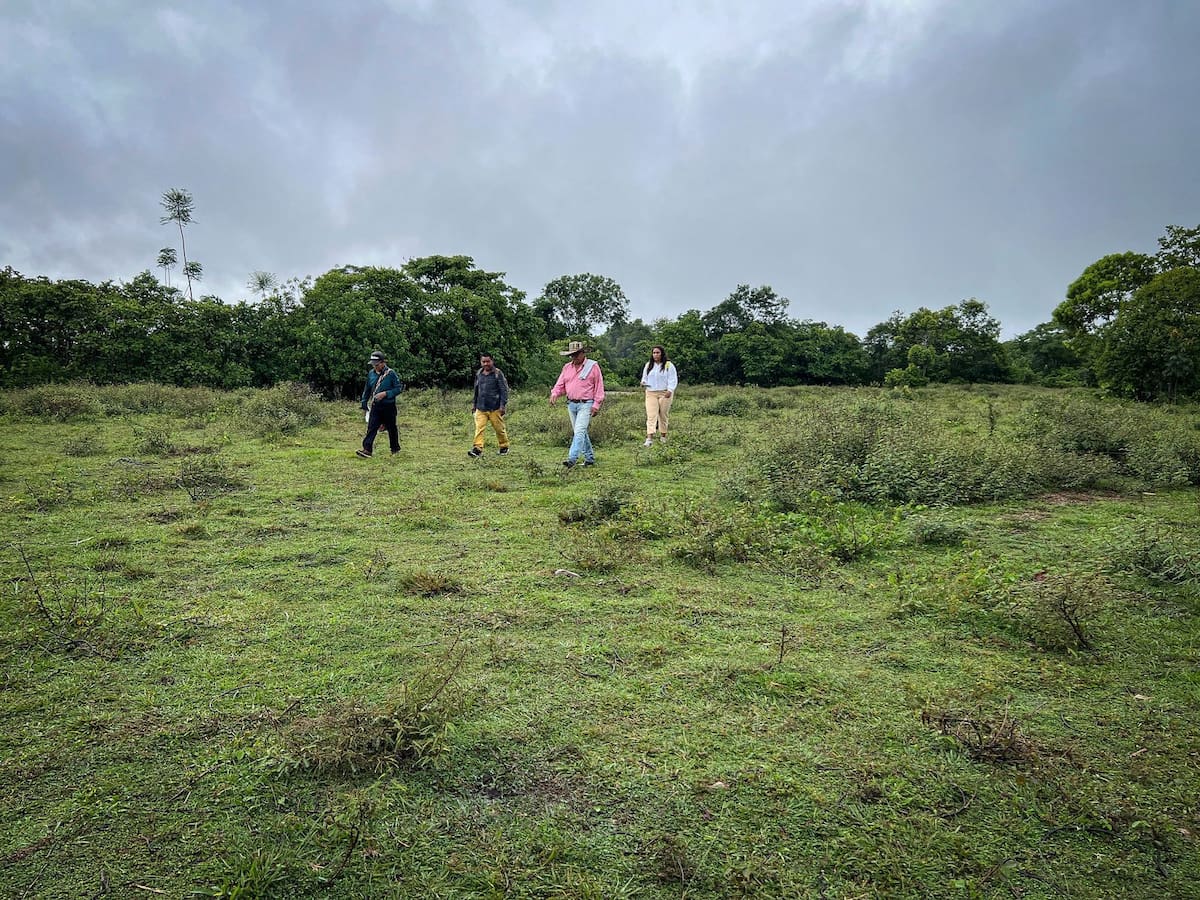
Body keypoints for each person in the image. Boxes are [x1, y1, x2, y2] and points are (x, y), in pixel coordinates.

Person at [549, 340, 604, 468]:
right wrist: (555, 393)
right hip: (571, 404)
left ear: (583, 353)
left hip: (586, 403)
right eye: (572, 355)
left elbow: (599, 386)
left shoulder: (593, 366)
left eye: (577, 354)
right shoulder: (567, 368)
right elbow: (560, 384)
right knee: (581, 431)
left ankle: (572, 458)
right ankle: (589, 458)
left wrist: (596, 404)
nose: (574, 357)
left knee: (579, 431)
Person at [356, 350, 403, 458]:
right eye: (373, 365)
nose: (375, 367)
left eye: (376, 365)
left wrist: (386, 394)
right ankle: (367, 449)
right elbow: (367, 389)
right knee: (371, 427)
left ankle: (395, 449)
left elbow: (398, 389)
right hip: (375, 405)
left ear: (382, 363)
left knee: (392, 428)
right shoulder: (371, 374)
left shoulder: (391, 374)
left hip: (388, 406)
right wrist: (364, 402)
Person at [469, 353, 510, 457]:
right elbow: (476, 390)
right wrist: (474, 404)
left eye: (488, 361)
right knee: (479, 428)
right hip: (481, 406)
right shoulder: (479, 373)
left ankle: (504, 446)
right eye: (483, 362)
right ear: (481, 362)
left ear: (492, 361)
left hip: (495, 407)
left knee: (499, 429)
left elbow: (504, 390)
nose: (486, 364)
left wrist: (502, 405)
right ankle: (477, 449)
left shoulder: (498, 373)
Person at [640, 345, 677, 446]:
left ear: (662, 354)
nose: (655, 355)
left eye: (658, 353)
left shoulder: (668, 365)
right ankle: (649, 438)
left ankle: (663, 436)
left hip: (665, 393)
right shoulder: (649, 365)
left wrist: (670, 390)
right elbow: (644, 377)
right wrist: (643, 382)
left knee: (663, 414)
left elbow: (672, 378)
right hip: (651, 392)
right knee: (651, 415)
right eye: (654, 353)